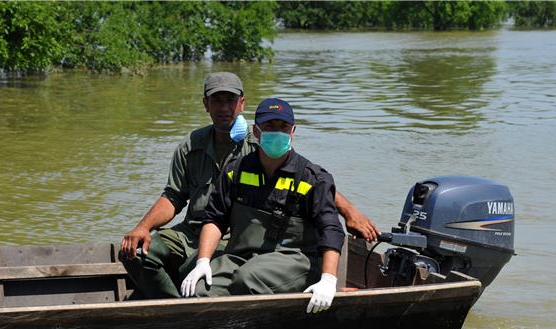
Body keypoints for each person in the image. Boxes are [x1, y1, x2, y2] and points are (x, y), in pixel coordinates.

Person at [119, 72, 379, 300]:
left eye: (230, 100)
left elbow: (307, 183)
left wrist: (349, 212)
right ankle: (175, 306)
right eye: (217, 100)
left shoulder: (262, 148)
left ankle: (186, 305)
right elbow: (175, 196)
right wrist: (143, 228)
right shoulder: (192, 145)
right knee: (139, 253)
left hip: (235, 238)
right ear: (205, 104)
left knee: (242, 275)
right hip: (196, 232)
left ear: (242, 104)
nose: (224, 108)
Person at [181, 98, 343, 313]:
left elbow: (331, 229)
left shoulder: (312, 177)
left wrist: (329, 279)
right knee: (199, 289)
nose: (277, 132)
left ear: (293, 131)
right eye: (269, 126)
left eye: (283, 127)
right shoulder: (235, 170)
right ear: (256, 131)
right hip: (242, 256)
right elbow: (215, 218)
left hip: (295, 260)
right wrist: (203, 261)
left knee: (248, 278)